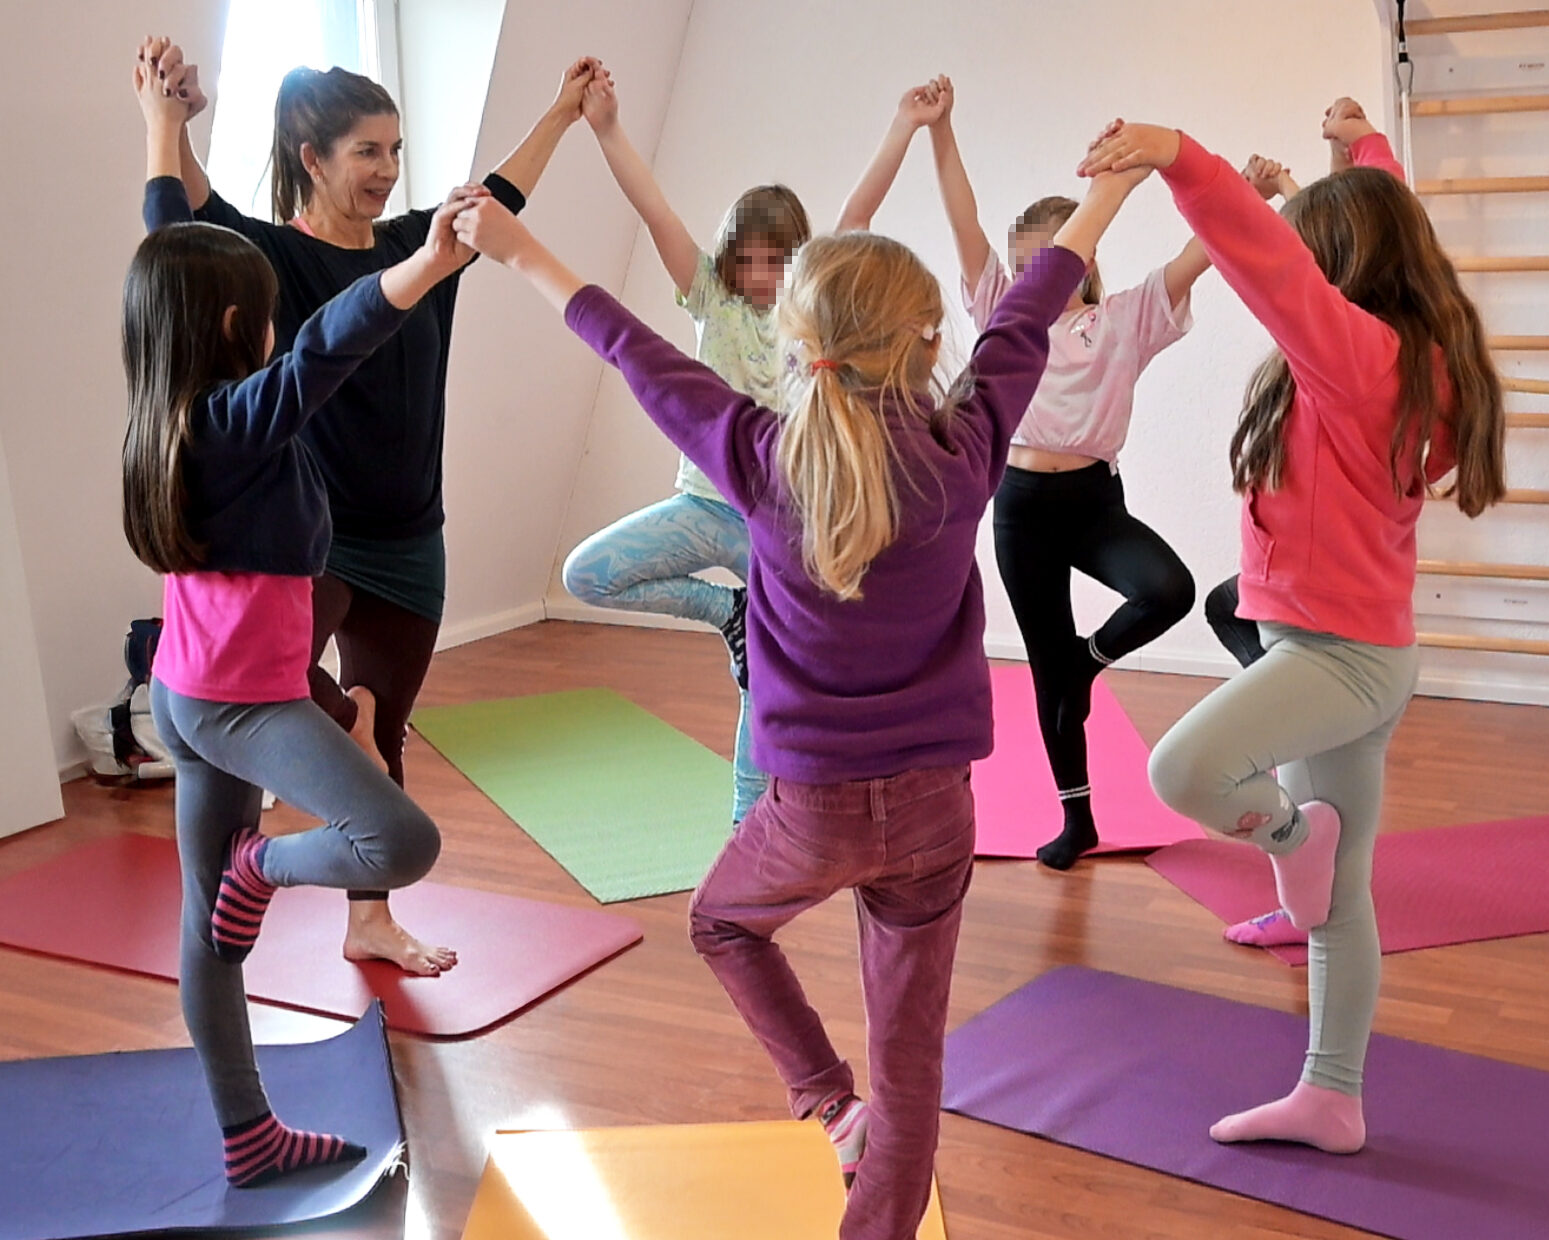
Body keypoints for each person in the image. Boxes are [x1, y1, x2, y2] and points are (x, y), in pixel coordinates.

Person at [451, 152, 1146, 1239]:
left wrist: (518, 248)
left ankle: (826, 1101)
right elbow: (1026, 315)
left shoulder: (756, 452)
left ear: (798, 346)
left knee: (723, 926)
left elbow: (628, 350)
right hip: (933, 814)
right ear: (923, 345)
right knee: (909, 1067)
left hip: (810, 807)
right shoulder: (965, 452)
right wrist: (1105, 196)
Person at [1081, 98, 1505, 1152]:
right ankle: (1331, 1093)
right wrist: (1355, 145)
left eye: (1318, 259)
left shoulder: (1356, 360)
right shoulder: (1411, 357)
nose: (1300, 278)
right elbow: (1389, 207)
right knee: (1336, 892)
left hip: (1336, 659)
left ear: (1342, 268)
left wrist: (1179, 155)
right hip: (1362, 653)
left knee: (1182, 773)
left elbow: (1262, 259)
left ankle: (1282, 834)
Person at [135, 35, 601, 974]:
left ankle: (369, 919)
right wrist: (166, 124)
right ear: (314, 160)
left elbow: (499, 196)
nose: (389, 171)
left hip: (411, 539)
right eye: (368, 153)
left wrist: (561, 110)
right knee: (301, 704)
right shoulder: (270, 257)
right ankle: (240, 865)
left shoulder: (415, 246)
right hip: (316, 546)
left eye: (396, 151)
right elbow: (179, 223)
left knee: (385, 732)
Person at [126, 56, 463, 1184]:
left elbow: (164, 240)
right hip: (237, 707)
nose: (284, 324)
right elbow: (331, 345)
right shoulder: (236, 423)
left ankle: (247, 1136)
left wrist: (159, 128)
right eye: (269, 314)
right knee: (397, 839)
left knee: (201, 928)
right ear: (236, 325)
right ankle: (262, 870)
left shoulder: (166, 407)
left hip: (184, 692)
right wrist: (420, 265)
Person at [841, 75, 1205, 869]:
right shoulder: (1003, 315)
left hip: (1094, 503)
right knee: (1046, 671)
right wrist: (940, 129)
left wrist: (1212, 180)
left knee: (1167, 590)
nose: (1036, 276)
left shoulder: (1126, 318)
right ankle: (1077, 819)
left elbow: (1198, 254)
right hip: (1019, 506)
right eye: (1023, 265)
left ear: (1084, 259)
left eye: (1053, 260)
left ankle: (1090, 660)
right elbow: (962, 220)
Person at [561, 69, 812, 824]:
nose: (763, 277)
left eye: (779, 262)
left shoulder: (810, 317)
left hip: (774, 525)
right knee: (585, 575)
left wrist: (907, 131)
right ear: (730, 260)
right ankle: (721, 614)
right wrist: (608, 128)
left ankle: (744, 818)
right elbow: (655, 211)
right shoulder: (712, 298)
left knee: (760, 684)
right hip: (702, 504)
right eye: (751, 261)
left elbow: (861, 212)